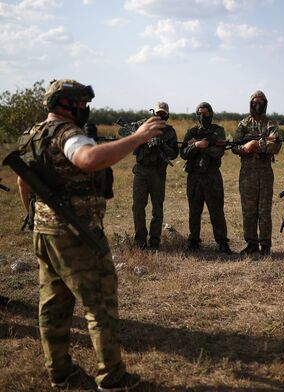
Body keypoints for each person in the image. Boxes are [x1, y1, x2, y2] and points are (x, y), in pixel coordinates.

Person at [14, 79, 165, 390]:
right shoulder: (67, 134)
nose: (85, 108)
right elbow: (89, 159)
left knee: (53, 303)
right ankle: (112, 376)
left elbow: (22, 184)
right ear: (65, 104)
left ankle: (60, 372)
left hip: (44, 231)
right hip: (76, 234)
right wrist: (136, 138)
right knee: (99, 304)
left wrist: (35, 216)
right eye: (81, 103)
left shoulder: (32, 134)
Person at [232, 91, 281, 256]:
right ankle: (251, 243)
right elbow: (234, 146)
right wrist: (245, 148)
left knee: (264, 210)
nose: (257, 104)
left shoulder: (271, 124)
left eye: (261, 102)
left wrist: (255, 144)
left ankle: (265, 245)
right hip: (247, 174)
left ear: (265, 104)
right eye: (255, 102)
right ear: (250, 103)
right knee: (248, 210)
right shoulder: (243, 123)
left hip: (265, 173)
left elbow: (276, 146)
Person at [180, 102, 232, 254]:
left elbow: (218, 152)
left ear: (211, 114)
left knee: (216, 210)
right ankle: (193, 241)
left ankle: (222, 242)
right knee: (194, 211)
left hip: (212, 176)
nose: (203, 116)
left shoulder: (218, 131)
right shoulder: (192, 131)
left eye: (206, 113)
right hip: (194, 176)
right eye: (200, 113)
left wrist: (203, 146)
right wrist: (196, 146)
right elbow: (183, 153)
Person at [131, 102, 178, 250]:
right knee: (138, 206)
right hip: (141, 171)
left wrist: (161, 144)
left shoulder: (170, 132)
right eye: (158, 113)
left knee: (157, 208)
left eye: (163, 114)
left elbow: (174, 153)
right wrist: (143, 135)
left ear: (168, 115)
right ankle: (140, 241)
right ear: (153, 113)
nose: (160, 116)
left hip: (158, 173)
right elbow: (125, 135)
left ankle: (155, 242)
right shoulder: (142, 125)